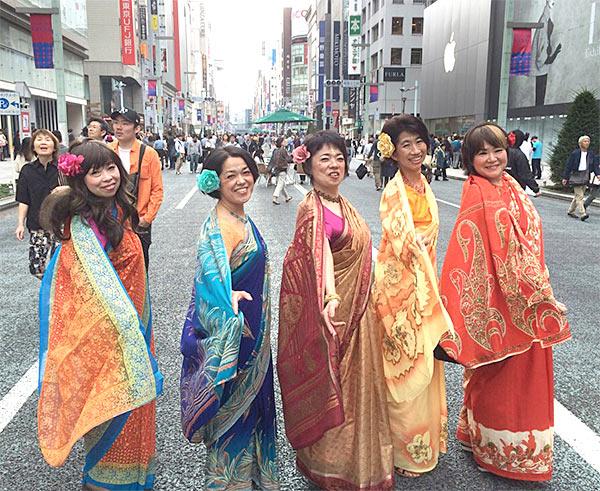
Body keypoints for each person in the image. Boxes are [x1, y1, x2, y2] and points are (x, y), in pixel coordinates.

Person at [438, 122, 570, 481]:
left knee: (519, 376)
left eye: (496, 149)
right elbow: (486, 252)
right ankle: (495, 450)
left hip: (529, 294)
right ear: (469, 159)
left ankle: (486, 439)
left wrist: (540, 292)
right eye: (481, 152)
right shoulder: (477, 192)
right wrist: (540, 298)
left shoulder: (510, 185)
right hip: (503, 302)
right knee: (500, 376)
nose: (492, 158)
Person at [37, 139, 163, 490]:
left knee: (135, 412)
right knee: (111, 415)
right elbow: (81, 289)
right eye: (96, 172)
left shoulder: (118, 210)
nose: (108, 177)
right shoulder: (82, 228)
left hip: (134, 329)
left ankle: (132, 480)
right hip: (106, 342)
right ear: (80, 180)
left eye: (111, 168)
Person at [278, 131, 393, 490]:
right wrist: (329, 298)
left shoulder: (344, 205)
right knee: (336, 386)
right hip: (336, 314)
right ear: (308, 164)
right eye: (324, 158)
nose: (333, 165)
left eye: (339, 158)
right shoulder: (310, 208)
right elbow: (317, 258)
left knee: (360, 389)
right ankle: (330, 463)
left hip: (360, 313)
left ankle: (362, 460)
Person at [180, 146, 278, 490]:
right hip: (235, 336)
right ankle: (229, 483)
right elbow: (206, 282)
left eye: (245, 172)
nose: (241, 181)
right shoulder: (218, 225)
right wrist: (225, 297)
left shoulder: (238, 215)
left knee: (251, 410)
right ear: (215, 182)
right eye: (230, 176)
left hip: (253, 335)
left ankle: (250, 478)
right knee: (233, 416)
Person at [372, 115, 453, 478]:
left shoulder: (422, 183)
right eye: (406, 144)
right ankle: (404, 451)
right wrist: (415, 247)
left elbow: (427, 237)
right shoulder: (394, 192)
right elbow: (400, 240)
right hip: (400, 292)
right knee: (405, 363)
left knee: (425, 360)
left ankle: (426, 443)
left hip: (424, 285)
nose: (416, 150)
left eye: (419, 142)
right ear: (393, 151)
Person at [109, 109, 164, 268]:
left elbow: (157, 190)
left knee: (140, 269)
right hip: (111, 221)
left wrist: (146, 219)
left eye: (125, 123)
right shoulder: (107, 150)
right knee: (114, 269)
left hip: (139, 222)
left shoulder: (149, 154)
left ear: (137, 128)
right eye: (116, 123)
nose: (119, 127)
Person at [14, 129, 61, 278]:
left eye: (47, 140)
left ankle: (56, 296)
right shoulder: (27, 171)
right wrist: (20, 224)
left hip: (60, 224)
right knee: (36, 267)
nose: (43, 142)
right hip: (37, 224)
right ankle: (49, 287)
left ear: (54, 146)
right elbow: (23, 200)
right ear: (33, 147)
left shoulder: (63, 169)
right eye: (39, 139)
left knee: (59, 266)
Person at [562, 135, 596, 221]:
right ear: (580, 143)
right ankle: (582, 213)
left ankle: (571, 211)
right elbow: (568, 165)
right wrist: (565, 177)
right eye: (585, 141)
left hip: (585, 176)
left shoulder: (590, 153)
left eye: (588, 141)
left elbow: (594, 165)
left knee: (577, 196)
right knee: (580, 196)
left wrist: (597, 174)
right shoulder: (575, 153)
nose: (587, 143)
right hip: (575, 176)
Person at [506, 130, 540, 196]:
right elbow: (525, 174)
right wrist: (535, 188)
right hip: (515, 188)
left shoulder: (500, 151)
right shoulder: (519, 155)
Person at [270, 136, 292, 205]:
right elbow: (288, 159)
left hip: (276, 169)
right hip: (282, 168)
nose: (286, 142)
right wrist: (292, 156)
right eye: (284, 141)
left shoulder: (275, 150)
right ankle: (275, 197)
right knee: (280, 184)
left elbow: (272, 160)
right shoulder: (283, 150)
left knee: (281, 184)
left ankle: (287, 197)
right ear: (281, 143)